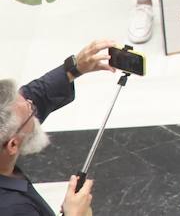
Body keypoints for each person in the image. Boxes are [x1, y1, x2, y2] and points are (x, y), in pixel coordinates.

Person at [0, 40, 118, 216]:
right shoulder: (15, 209)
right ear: (12, 145)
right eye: (31, 110)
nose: (32, 103)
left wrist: (73, 68)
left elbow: (32, 96)